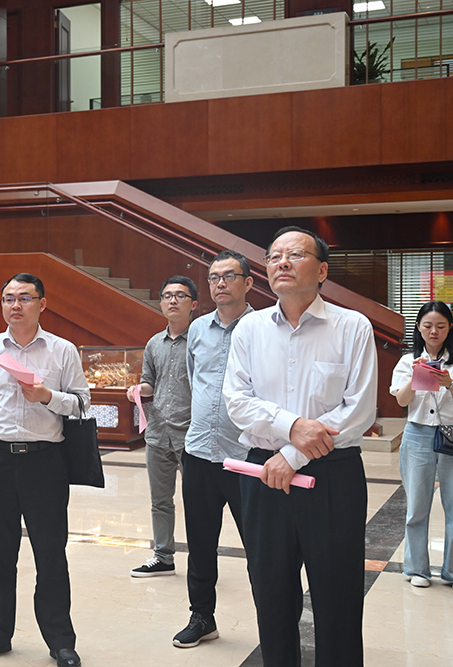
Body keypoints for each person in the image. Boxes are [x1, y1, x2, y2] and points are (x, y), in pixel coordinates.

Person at [223, 226, 377, 666]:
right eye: (274, 256)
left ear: (322, 270)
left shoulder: (352, 326)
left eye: (295, 254)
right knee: (271, 594)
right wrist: (291, 428)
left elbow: (359, 410)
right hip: (264, 476)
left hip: (332, 475)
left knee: (338, 595)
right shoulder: (249, 329)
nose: (283, 263)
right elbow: (236, 401)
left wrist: (291, 455)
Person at [0, 273, 89, 667]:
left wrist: (48, 396)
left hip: (44, 462)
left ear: (42, 304)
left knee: (50, 555)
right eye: (8, 298)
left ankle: (60, 641)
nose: (15, 305)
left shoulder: (62, 350)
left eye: (24, 298)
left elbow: (83, 403)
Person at [173, 252, 253, 648]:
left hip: (247, 457)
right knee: (200, 545)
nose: (220, 283)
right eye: (213, 277)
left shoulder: (260, 328)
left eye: (229, 276)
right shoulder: (197, 329)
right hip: (199, 453)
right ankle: (202, 617)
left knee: (261, 546)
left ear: (248, 283)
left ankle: (276, 621)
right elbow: (196, 380)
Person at [126, 276, 198, 577]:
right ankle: (163, 556)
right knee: (160, 501)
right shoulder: (154, 343)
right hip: (157, 434)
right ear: (160, 303)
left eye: (180, 295)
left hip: (191, 435)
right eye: (167, 296)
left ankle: (201, 560)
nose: (173, 300)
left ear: (193, 304)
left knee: (197, 504)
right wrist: (138, 390)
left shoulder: (200, 340)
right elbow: (150, 382)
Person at [390, 301, 453, 588]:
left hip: (451, 433)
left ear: (449, 328)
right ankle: (417, 569)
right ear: (418, 327)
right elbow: (401, 401)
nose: (434, 331)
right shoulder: (408, 361)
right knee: (417, 505)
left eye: (440, 326)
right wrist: (416, 378)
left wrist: (449, 383)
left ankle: (450, 571)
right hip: (417, 434)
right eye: (428, 326)